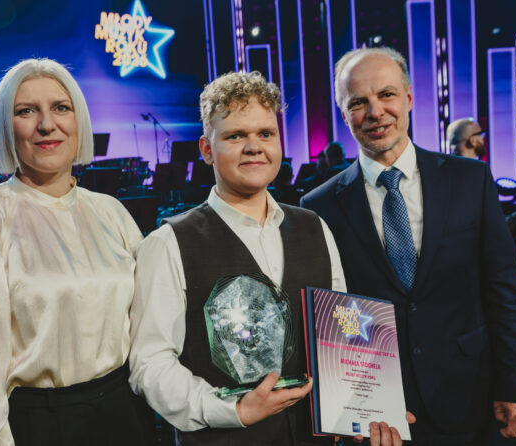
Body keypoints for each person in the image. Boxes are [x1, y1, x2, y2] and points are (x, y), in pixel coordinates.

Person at [129, 71, 406, 446]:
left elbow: (341, 339)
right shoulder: (168, 243)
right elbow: (150, 364)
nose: (253, 147)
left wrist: (365, 412)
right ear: (207, 149)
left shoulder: (314, 227)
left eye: (265, 134)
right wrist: (233, 410)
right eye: (235, 136)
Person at [301, 47, 516, 445]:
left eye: (386, 95)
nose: (375, 112)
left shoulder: (470, 180)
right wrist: (349, 409)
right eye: (358, 103)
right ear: (344, 114)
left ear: (409, 98)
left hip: (472, 393)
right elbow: (332, 313)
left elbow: (506, 289)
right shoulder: (319, 205)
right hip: (381, 414)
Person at [0, 58, 152, 445]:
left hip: (125, 414)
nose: (47, 124)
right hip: (40, 426)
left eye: (60, 108)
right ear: (7, 127)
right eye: (26, 111)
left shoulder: (112, 212)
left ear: (79, 120)